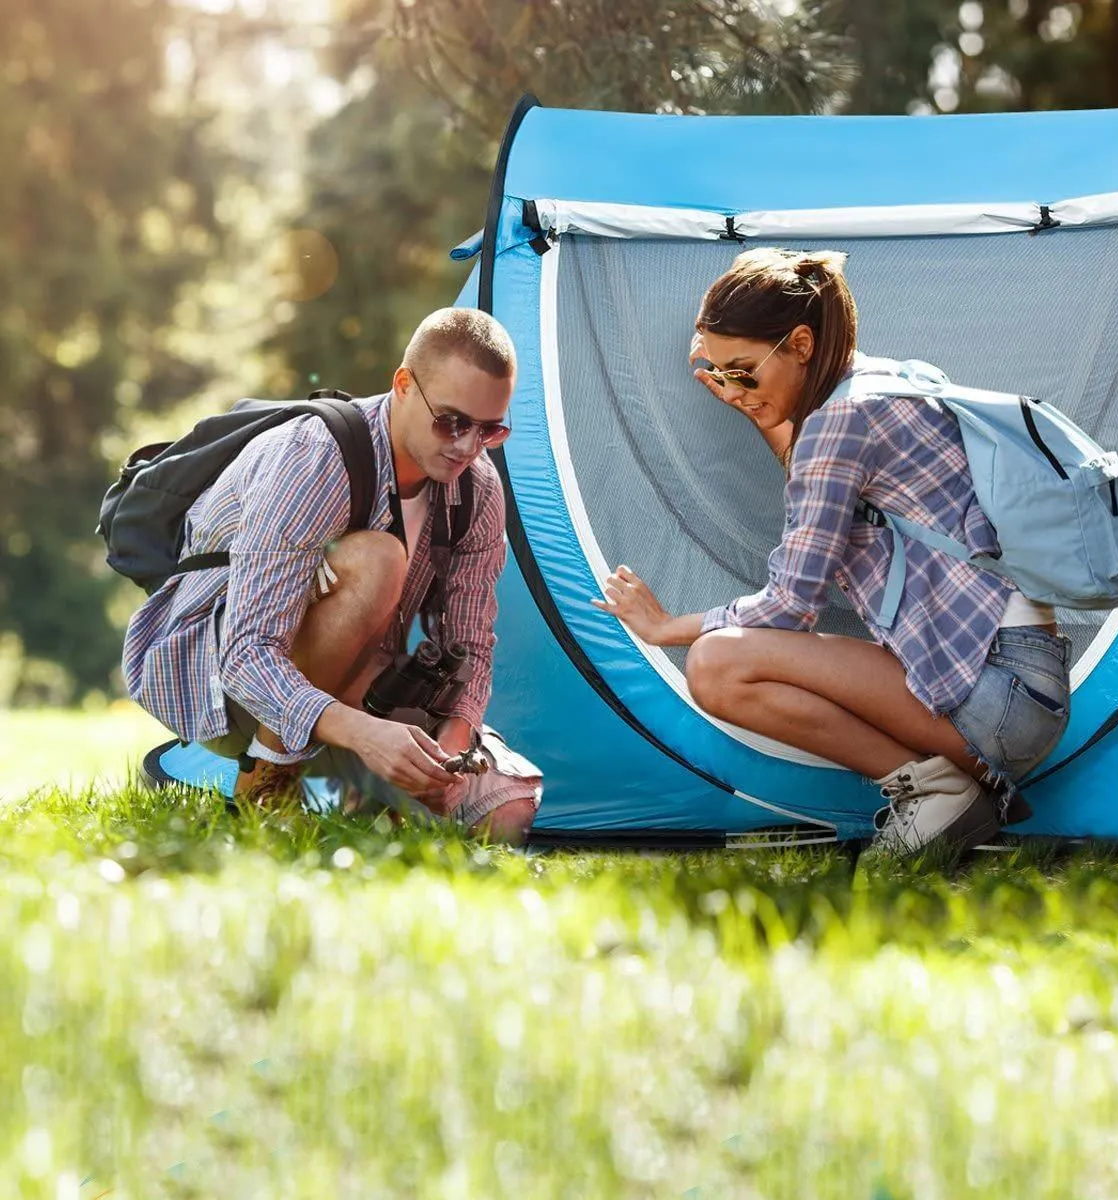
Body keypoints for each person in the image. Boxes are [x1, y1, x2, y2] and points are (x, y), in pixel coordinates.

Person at [594, 248, 1070, 857]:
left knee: (715, 664)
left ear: (799, 344)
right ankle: (941, 789)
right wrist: (755, 396)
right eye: (719, 372)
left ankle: (934, 793)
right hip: (1020, 685)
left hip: (995, 695)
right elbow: (818, 472)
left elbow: (792, 605)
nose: (732, 388)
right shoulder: (881, 384)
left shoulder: (837, 425)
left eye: (742, 371)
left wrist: (666, 628)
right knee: (721, 658)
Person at [123, 307, 540, 843]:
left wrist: (455, 744)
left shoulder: (476, 488)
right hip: (220, 680)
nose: (467, 446)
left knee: (505, 815)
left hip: (357, 684)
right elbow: (247, 654)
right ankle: (263, 779)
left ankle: (347, 796)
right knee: (379, 560)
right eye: (452, 422)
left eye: (490, 429)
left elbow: (471, 645)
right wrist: (367, 735)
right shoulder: (317, 456)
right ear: (404, 385)